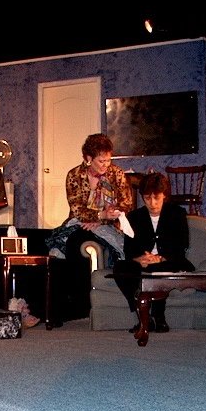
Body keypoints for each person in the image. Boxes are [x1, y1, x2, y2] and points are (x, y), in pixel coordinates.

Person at [46, 134, 133, 320]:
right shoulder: (74, 175)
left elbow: (126, 203)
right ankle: (60, 308)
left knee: (77, 240)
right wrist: (98, 215)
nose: (105, 165)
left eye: (108, 160)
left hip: (109, 224)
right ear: (88, 158)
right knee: (59, 248)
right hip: (80, 223)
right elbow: (77, 208)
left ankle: (80, 304)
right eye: (101, 161)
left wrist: (105, 217)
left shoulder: (117, 174)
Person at [113, 172, 194, 332]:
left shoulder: (177, 214)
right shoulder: (134, 216)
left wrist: (160, 258)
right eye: (147, 198)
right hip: (143, 261)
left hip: (169, 261)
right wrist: (139, 259)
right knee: (120, 268)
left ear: (164, 195)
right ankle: (143, 317)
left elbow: (181, 245)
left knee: (159, 269)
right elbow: (129, 249)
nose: (152, 203)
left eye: (156, 197)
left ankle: (159, 316)